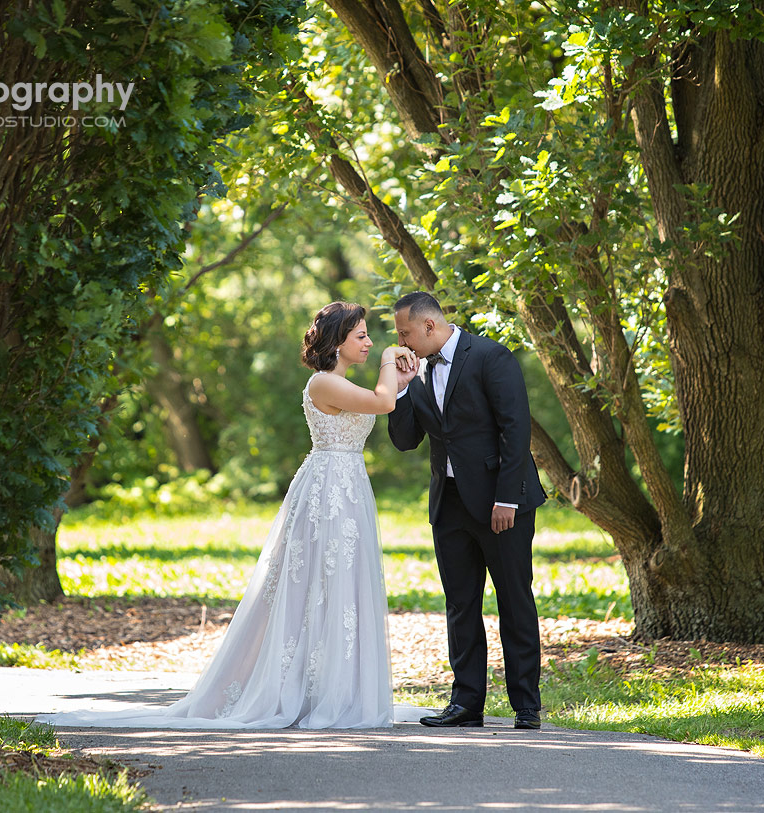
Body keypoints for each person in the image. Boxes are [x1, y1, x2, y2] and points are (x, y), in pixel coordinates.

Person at [35, 302, 417, 729]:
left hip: (348, 489)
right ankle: (294, 690)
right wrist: (389, 360)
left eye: (368, 336)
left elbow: (381, 399)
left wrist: (398, 380)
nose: (368, 342)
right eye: (361, 335)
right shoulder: (322, 383)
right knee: (311, 585)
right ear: (338, 341)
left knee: (342, 586)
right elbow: (383, 403)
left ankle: (334, 689)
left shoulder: (344, 385)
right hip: (327, 491)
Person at [387, 291, 546, 730]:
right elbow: (405, 441)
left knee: (514, 599)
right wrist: (401, 391)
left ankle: (526, 706)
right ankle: (467, 703)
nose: (401, 342)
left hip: (502, 501)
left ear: (429, 327)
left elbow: (516, 429)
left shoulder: (491, 357)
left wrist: (507, 498)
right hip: (450, 503)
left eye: (404, 333)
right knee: (460, 604)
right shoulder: (415, 371)